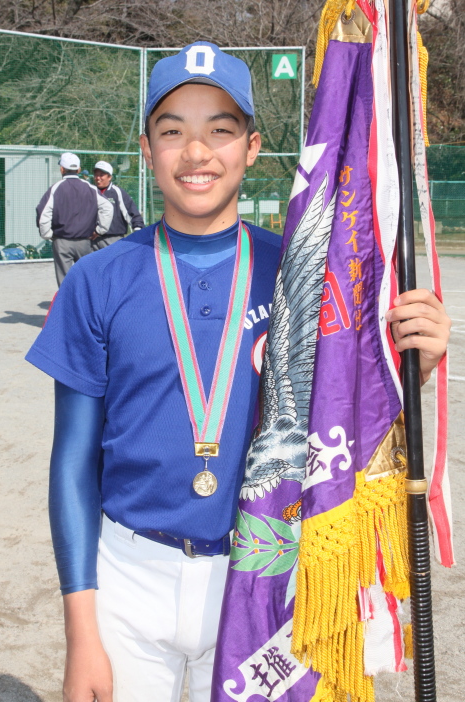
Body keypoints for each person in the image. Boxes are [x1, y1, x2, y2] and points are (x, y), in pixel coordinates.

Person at [25, 42, 451, 702]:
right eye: (173, 132)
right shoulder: (95, 281)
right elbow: (72, 463)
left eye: (220, 130)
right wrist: (82, 631)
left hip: (263, 578)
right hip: (128, 580)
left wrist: (410, 368)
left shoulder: (303, 278)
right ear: (145, 149)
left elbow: (345, 408)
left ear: (252, 147)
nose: (197, 153)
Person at [36, 152, 113, 286]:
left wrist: (47, 234)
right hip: (84, 241)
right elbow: (108, 207)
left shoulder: (56, 188)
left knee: (65, 281)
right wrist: (100, 230)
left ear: (62, 169)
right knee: (86, 278)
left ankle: (68, 305)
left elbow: (43, 213)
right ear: (78, 169)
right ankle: (85, 305)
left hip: (62, 240)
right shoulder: (90, 188)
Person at [91, 160, 144, 250]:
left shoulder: (117, 192)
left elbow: (131, 212)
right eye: (96, 175)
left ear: (109, 177)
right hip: (93, 240)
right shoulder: (90, 191)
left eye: (101, 175)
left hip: (114, 239)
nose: (98, 178)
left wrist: (138, 229)